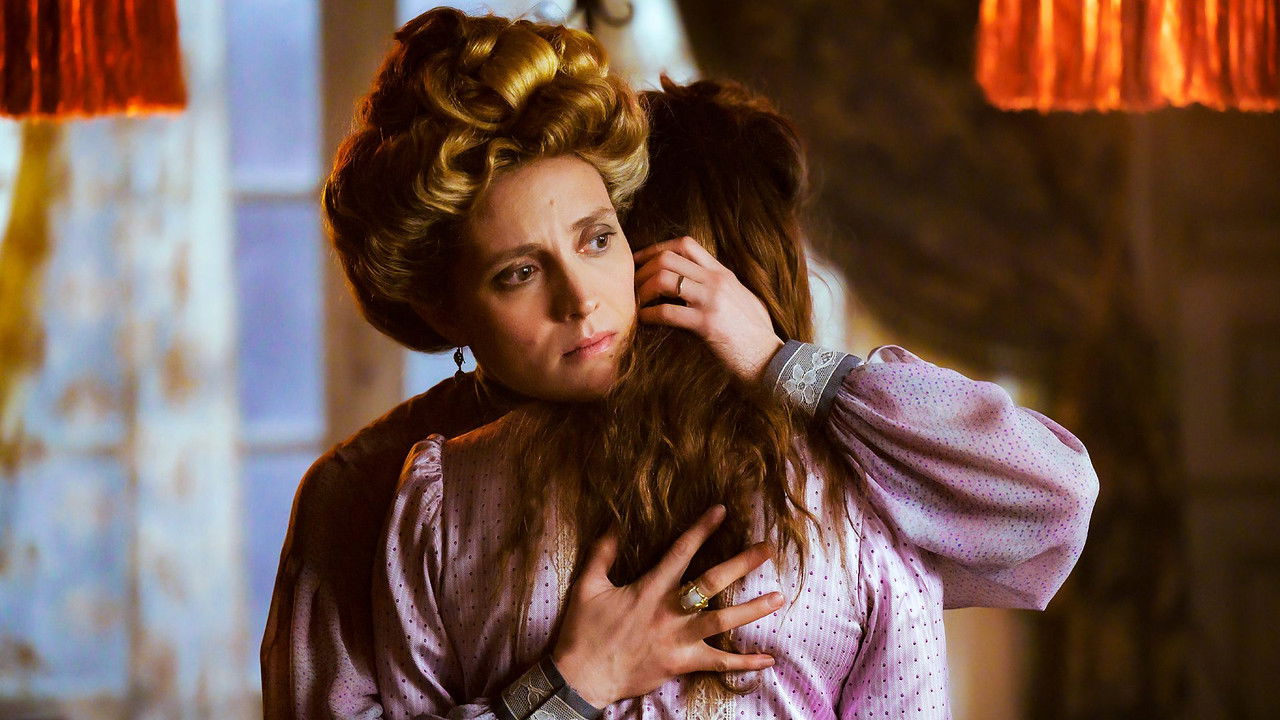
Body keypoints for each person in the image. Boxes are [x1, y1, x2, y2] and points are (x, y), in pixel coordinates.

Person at [263, 8, 1097, 719]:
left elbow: (1051, 499)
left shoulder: (828, 484)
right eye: (517, 273)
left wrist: (781, 361)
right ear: (445, 307)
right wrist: (565, 688)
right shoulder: (383, 492)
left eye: (598, 240)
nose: (582, 301)